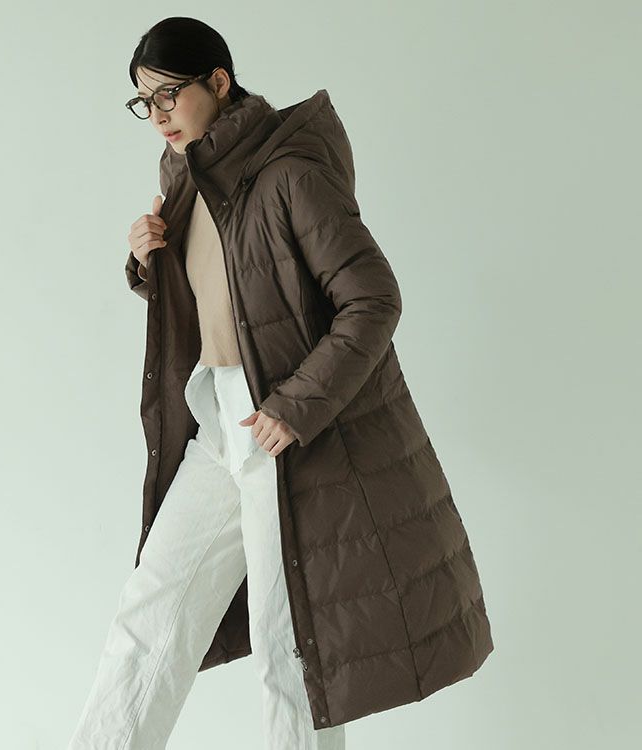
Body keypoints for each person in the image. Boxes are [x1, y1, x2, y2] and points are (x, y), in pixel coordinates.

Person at [69, 13, 494, 750]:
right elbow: (229, 297)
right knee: (149, 616)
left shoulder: (290, 173)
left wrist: (295, 406)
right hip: (219, 423)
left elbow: (373, 300)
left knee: (289, 650)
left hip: (287, 429)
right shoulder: (183, 174)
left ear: (219, 81)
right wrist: (146, 263)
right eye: (144, 101)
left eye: (169, 94)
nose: (158, 115)